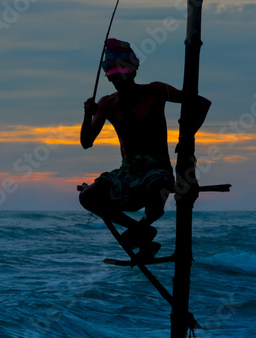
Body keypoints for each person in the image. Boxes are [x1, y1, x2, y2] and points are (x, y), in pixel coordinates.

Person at [79, 38, 210, 260]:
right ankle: (142, 232)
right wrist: (87, 113)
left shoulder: (155, 91)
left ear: (133, 71)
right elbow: (86, 141)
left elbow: (201, 102)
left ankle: (142, 230)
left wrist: (186, 136)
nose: (117, 80)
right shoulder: (107, 103)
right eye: (111, 74)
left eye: (122, 72)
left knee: (155, 202)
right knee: (88, 197)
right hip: (127, 170)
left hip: (156, 168)